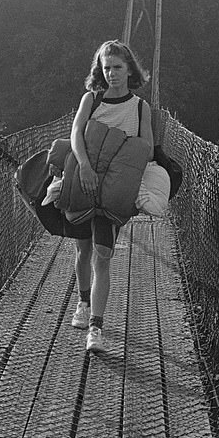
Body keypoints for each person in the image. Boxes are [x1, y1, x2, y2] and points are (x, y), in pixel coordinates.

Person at [68, 40, 152, 353]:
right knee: (83, 248)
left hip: (114, 189)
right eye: (107, 68)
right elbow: (76, 133)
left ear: (130, 69)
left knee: (103, 254)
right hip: (85, 180)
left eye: (118, 67)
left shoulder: (141, 108)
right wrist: (86, 168)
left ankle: (96, 328)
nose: (112, 73)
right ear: (100, 71)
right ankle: (83, 300)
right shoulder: (91, 99)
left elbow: (145, 148)